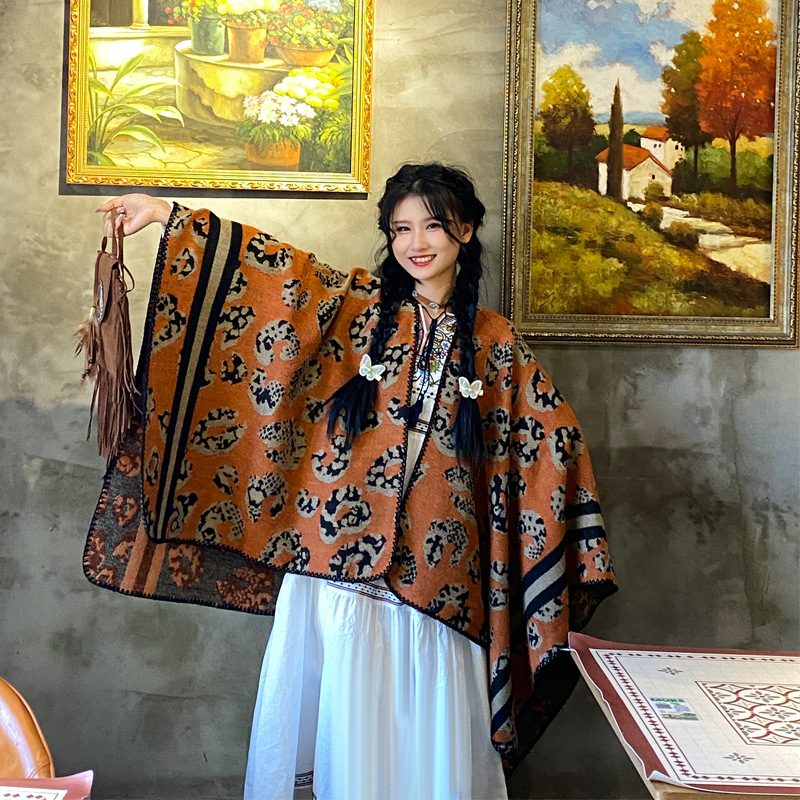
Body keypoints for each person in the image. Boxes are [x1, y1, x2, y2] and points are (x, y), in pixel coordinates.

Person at [90, 163, 616, 800]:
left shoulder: (495, 342)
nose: (416, 242)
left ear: (465, 229)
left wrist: (562, 488)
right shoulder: (359, 310)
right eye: (401, 228)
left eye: (433, 225)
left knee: (428, 735)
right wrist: (167, 216)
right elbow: (274, 277)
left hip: (440, 570)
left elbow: (549, 436)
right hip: (339, 558)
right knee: (349, 718)